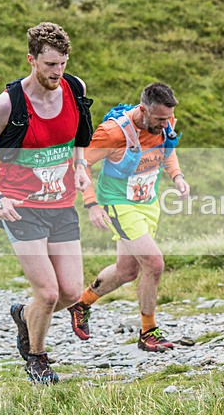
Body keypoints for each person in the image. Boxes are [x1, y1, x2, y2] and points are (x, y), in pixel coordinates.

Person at [0, 22, 92, 383]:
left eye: (63, 63)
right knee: (48, 293)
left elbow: (81, 134)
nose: (58, 72)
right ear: (31, 59)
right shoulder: (8, 104)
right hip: (21, 208)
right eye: (50, 65)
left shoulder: (75, 89)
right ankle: (37, 358)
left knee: (69, 291)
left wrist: (81, 166)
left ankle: (24, 316)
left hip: (62, 205)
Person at [67, 82, 190, 352]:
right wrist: (92, 204)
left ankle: (81, 303)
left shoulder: (163, 123)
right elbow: (81, 164)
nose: (165, 124)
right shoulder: (113, 133)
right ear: (143, 110)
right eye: (159, 119)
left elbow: (168, 150)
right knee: (154, 263)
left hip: (147, 203)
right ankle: (148, 331)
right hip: (119, 205)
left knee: (127, 271)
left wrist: (177, 177)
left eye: (168, 118)